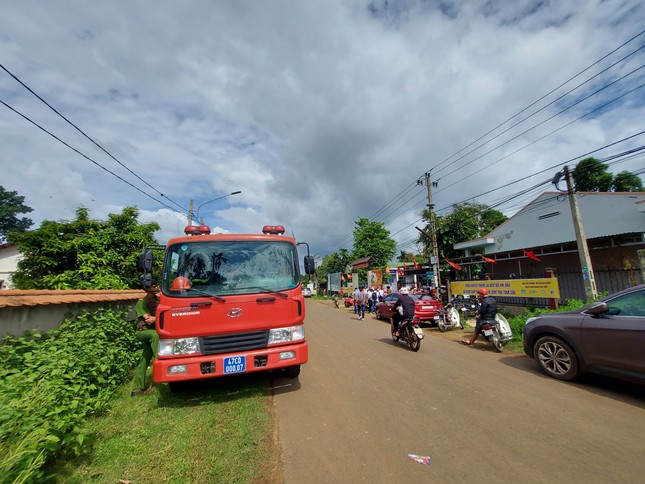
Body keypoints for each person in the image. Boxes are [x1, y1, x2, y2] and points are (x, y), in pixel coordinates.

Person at [131, 279, 160, 396]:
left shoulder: (159, 300)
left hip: (153, 330)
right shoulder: (141, 302)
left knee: (144, 358)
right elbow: (148, 319)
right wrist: (157, 318)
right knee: (155, 335)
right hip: (144, 331)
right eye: (153, 286)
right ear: (148, 289)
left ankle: (136, 389)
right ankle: (161, 359)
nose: (155, 288)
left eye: (155, 285)